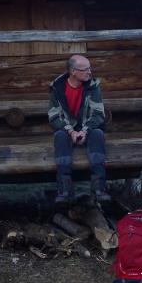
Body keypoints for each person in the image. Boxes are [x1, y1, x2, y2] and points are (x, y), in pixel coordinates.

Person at [47, 54, 109, 206]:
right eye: (85, 69)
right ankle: (64, 190)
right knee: (60, 137)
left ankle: (100, 188)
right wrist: (70, 131)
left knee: (98, 134)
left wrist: (85, 130)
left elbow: (98, 114)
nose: (90, 72)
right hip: (67, 131)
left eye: (90, 68)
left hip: (87, 129)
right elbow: (54, 116)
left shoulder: (93, 87)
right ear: (73, 71)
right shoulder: (57, 88)